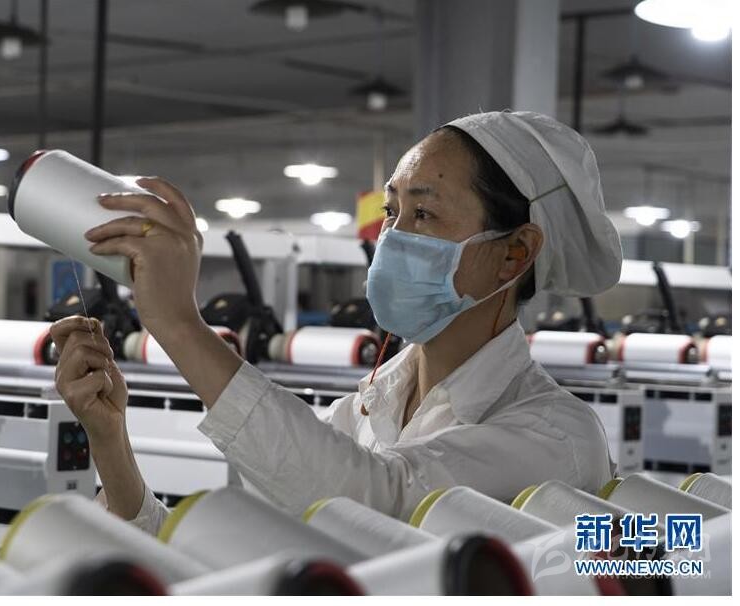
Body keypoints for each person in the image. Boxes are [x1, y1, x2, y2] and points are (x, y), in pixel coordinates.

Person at [50, 110, 623, 536]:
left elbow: (377, 509)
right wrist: (110, 441)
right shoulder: (363, 412)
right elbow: (233, 550)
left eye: (424, 213)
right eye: (392, 211)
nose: (392, 238)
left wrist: (181, 325)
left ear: (514, 253)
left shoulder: (558, 437)